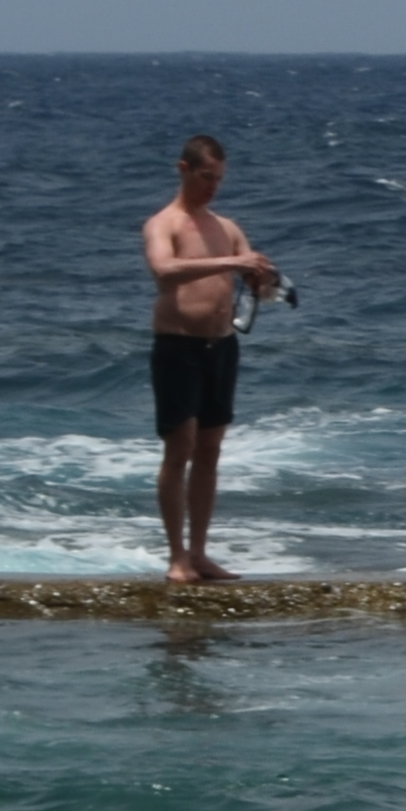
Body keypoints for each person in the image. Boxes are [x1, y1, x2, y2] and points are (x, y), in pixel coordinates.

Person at [142, 132, 284, 587]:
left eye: (219, 179)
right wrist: (229, 263)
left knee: (210, 450)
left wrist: (263, 278)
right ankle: (177, 557)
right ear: (184, 170)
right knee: (179, 448)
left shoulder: (227, 227)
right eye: (206, 177)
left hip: (221, 346)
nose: (213, 187)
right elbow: (164, 271)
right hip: (178, 345)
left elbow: (255, 281)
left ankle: (200, 553)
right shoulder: (164, 224)